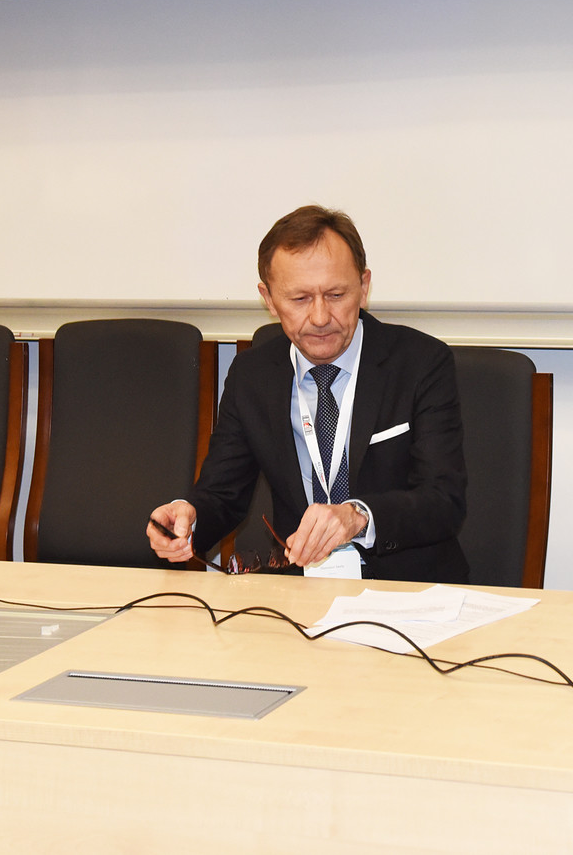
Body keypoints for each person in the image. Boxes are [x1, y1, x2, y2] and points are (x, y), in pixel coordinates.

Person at [148, 205, 468, 581]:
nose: (319, 317)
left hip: (406, 589)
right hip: (299, 592)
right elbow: (222, 495)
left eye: (335, 294)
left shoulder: (421, 363)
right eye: (299, 299)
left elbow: (443, 500)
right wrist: (187, 520)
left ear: (364, 287)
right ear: (269, 299)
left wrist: (357, 517)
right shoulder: (252, 375)